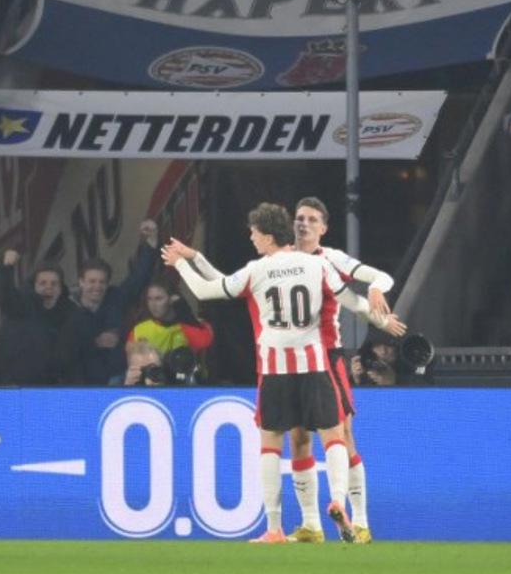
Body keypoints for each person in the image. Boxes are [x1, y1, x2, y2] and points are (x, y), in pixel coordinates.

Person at [162, 203, 398, 544]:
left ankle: (275, 528)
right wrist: (381, 319)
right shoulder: (318, 266)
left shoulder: (258, 269)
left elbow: (209, 289)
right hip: (315, 364)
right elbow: (353, 302)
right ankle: (334, 503)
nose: (251, 237)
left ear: (268, 236)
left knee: (273, 443)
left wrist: (180, 263)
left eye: (254, 232)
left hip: (274, 368)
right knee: (332, 435)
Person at [284, 196, 400, 544]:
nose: (303, 223)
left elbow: (380, 276)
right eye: (299, 217)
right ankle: (310, 526)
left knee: (343, 435)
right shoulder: (280, 260)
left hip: (326, 357)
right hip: (290, 359)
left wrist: (376, 291)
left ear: (323, 227)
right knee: (299, 438)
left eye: (311, 219)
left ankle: (361, 523)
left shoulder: (331, 258)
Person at [55, 221, 159, 384]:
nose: (97, 286)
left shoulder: (116, 297)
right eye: (92, 281)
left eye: (102, 282)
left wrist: (151, 243)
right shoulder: (67, 308)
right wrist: (94, 343)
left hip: (118, 379)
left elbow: (139, 277)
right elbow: (62, 353)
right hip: (82, 386)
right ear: (81, 282)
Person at [0, 249, 75, 386]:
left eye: (54, 283)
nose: (49, 287)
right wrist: (7, 266)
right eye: (43, 283)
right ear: (33, 286)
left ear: (61, 288)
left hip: (39, 388)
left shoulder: (69, 312)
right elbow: (4, 296)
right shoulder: (22, 304)